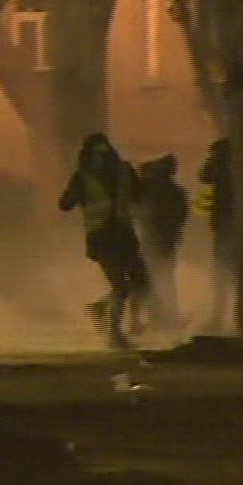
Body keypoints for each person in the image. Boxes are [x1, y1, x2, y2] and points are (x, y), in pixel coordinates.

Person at [59, 133, 149, 349]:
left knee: (140, 282)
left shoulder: (120, 172)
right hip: (103, 236)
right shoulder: (85, 177)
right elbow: (65, 203)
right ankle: (115, 333)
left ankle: (103, 310)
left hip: (121, 234)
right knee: (121, 285)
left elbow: (139, 195)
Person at [134, 154, 190, 334]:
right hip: (165, 239)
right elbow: (182, 215)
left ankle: (150, 318)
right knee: (165, 278)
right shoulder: (175, 191)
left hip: (149, 238)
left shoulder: (145, 187)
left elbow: (135, 211)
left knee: (147, 278)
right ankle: (166, 317)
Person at [198, 137, 235, 334]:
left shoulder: (222, 163)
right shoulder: (238, 162)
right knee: (228, 272)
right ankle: (227, 317)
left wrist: (214, 159)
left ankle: (219, 317)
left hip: (227, 222)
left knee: (223, 272)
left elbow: (204, 175)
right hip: (231, 222)